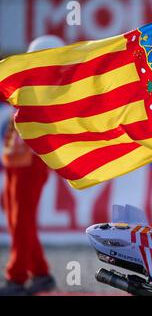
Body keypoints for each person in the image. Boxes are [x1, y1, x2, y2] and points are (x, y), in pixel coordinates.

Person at [0, 35, 65, 296]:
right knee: (17, 219)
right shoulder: (35, 84)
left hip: (31, 161)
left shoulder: (51, 90)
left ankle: (16, 277)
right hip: (16, 159)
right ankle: (40, 273)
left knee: (22, 219)